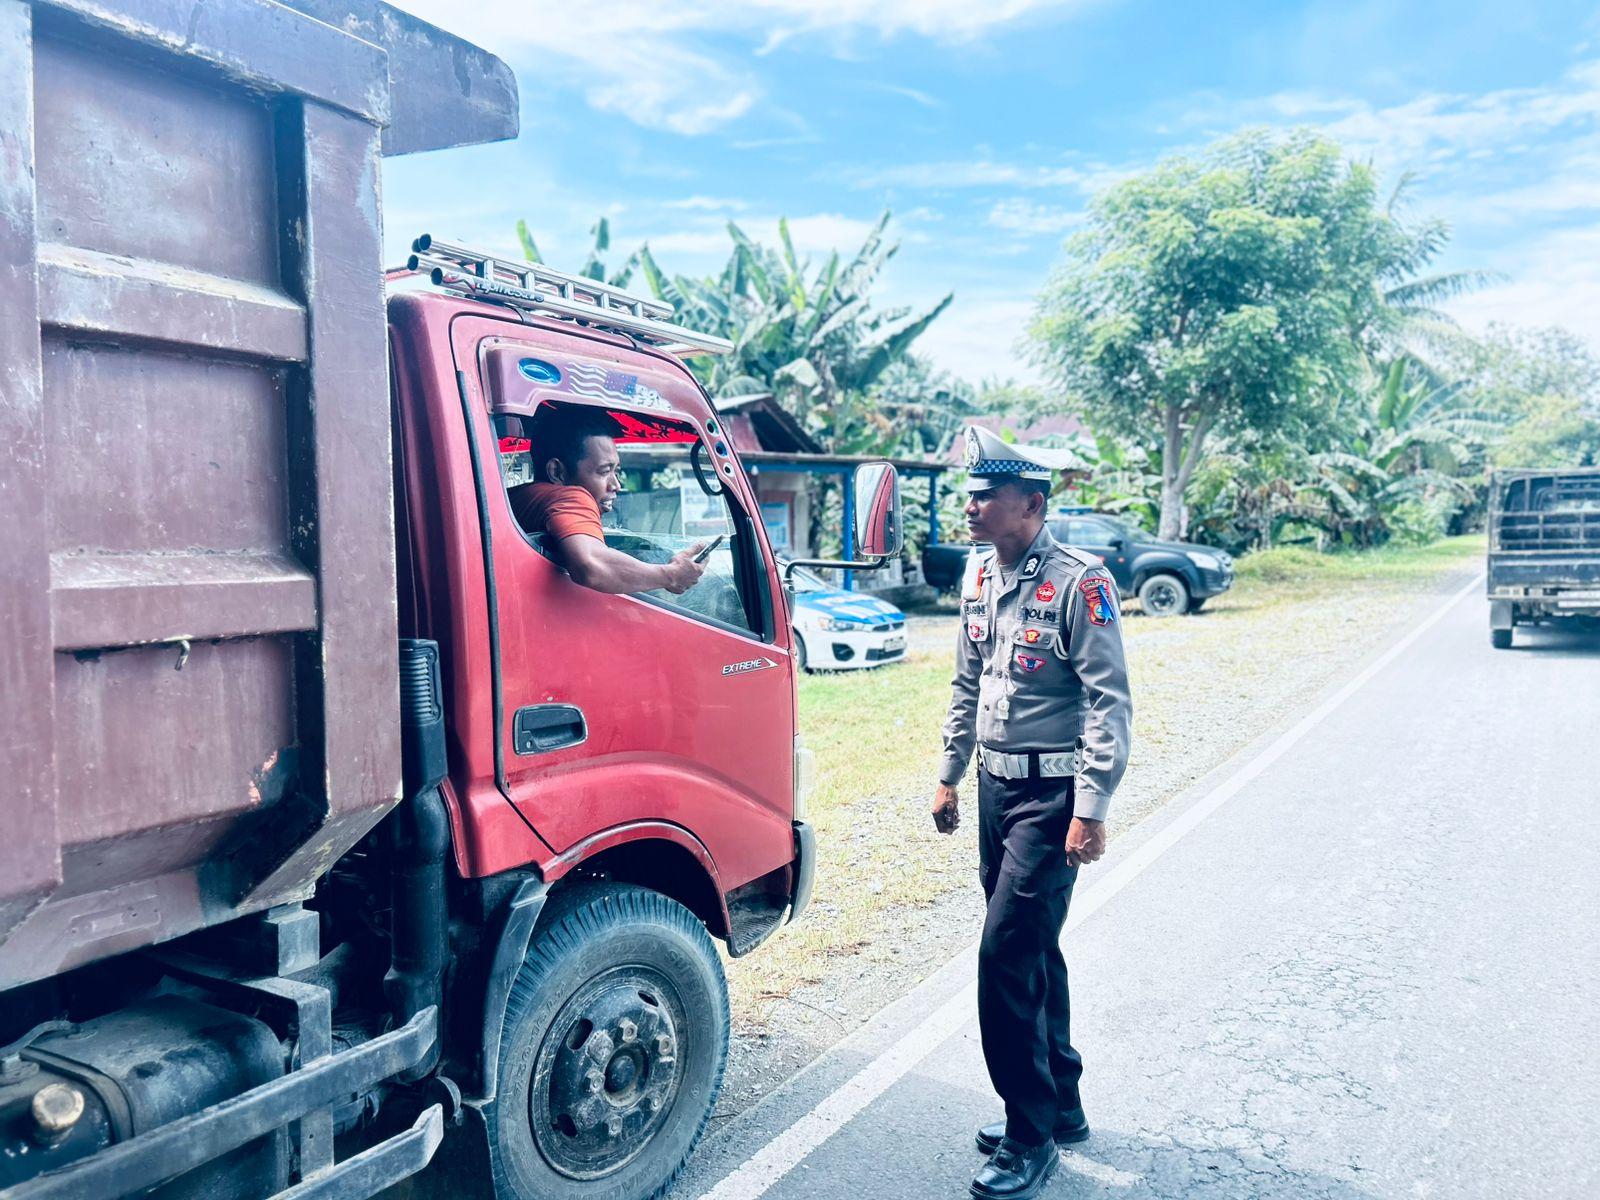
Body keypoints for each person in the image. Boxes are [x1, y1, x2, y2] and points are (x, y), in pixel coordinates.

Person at [932, 426, 1132, 1200]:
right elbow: (965, 681)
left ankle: (1029, 1134)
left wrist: (1092, 807)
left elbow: (1109, 704)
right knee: (1033, 947)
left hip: (1053, 798)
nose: (972, 507)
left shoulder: (1081, 583)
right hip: (995, 787)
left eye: (987, 497)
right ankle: (1063, 1103)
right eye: (970, 494)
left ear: (1032, 505)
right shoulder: (979, 574)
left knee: (1003, 957)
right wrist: (950, 774)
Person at [511, 407, 707, 595]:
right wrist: (671, 575)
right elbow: (591, 565)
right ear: (557, 471)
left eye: (616, 471)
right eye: (604, 471)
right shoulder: (572, 497)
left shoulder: (518, 497)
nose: (616, 485)